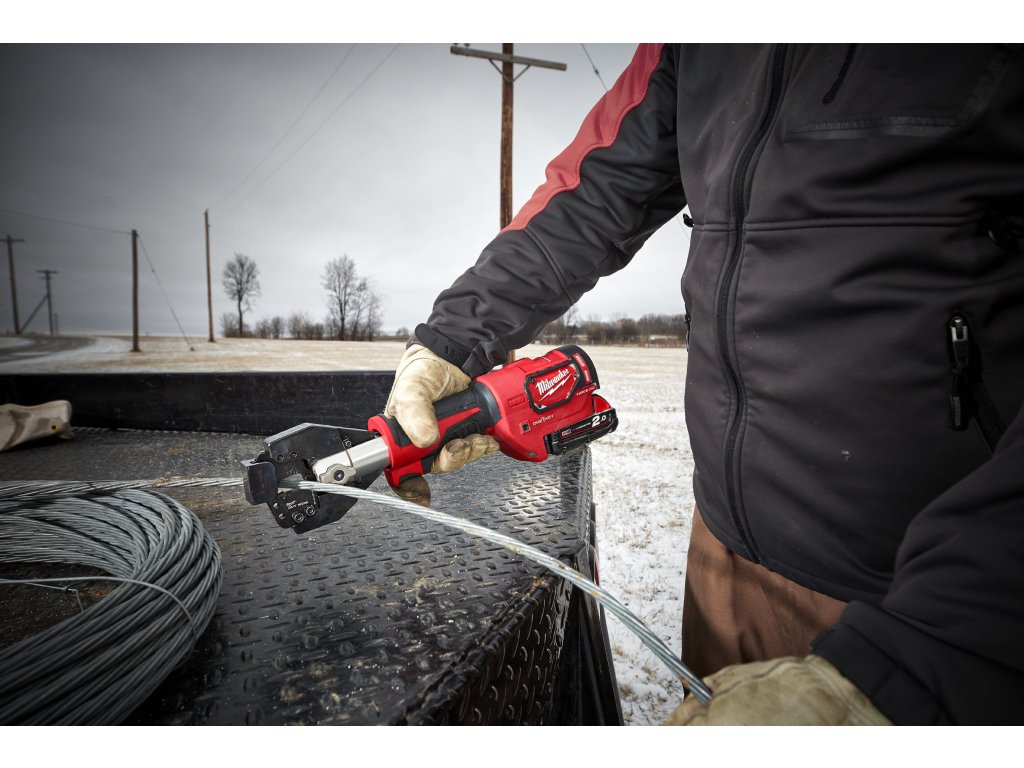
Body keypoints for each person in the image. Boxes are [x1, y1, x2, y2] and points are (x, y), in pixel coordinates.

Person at [383, 44, 1024, 724]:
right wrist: (453, 340)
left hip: (935, 588)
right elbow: (592, 192)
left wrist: (938, 655)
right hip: (725, 551)